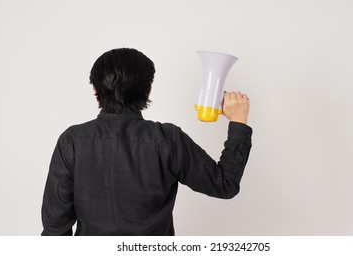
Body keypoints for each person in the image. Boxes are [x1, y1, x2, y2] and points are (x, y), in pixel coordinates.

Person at [41, 48, 252, 236]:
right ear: (148, 90)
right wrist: (238, 122)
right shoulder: (168, 139)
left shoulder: (72, 141)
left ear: (95, 90)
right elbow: (224, 185)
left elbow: (55, 230)